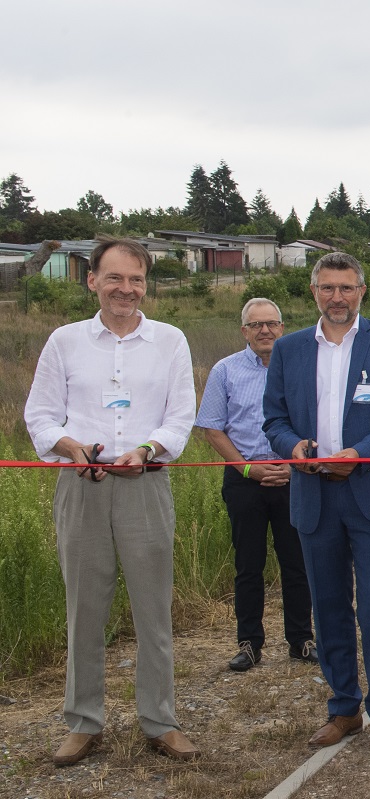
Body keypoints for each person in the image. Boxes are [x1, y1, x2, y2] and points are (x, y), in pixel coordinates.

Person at [25, 237, 200, 766]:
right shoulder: (64, 342)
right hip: (82, 487)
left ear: (147, 284)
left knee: (153, 611)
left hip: (146, 486)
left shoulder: (170, 341)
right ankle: (83, 722)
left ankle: (160, 720)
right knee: (85, 608)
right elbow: (40, 416)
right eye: (115, 278)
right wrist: (69, 447)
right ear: (92, 280)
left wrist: (148, 448)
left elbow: (180, 417)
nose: (126, 289)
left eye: (136, 279)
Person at [263, 251, 370, 756]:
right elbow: (274, 419)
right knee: (328, 606)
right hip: (313, 497)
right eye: (328, 288)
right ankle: (343, 708)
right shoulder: (288, 350)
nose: (337, 297)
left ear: (361, 291)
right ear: (314, 292)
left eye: (346, 288)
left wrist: (361, 453)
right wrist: (293, 447)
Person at [196, 297, 317, 673]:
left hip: (293, 477)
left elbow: (315, 421)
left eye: (272, 324)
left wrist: (292, 465)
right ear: (244, 330)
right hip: (244, 479)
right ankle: (249, 643)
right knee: (248, 564)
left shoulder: (302, 367)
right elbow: (212, 427)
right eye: (256, 325)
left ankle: (301, 640)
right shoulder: (225, 370)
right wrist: (248, 469)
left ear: (283, 327)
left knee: (296, 563)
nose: (265, 331)